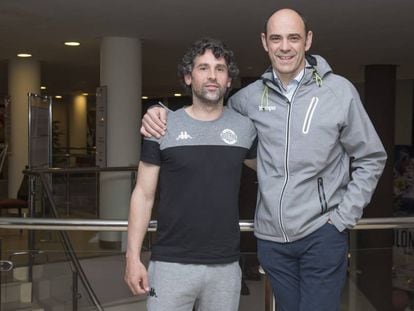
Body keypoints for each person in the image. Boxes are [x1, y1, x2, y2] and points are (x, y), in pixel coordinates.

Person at [140, 8, 387, 311]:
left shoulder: (339, 92)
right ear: (264, 42)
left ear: (307, 41)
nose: (285, 47)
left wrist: (343, 217)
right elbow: (210, 115)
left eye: (293, 38)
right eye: (276, 38)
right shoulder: (247, 100)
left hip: (322, 233)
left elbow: (371, 157)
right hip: (272, 241)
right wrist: (160, 112)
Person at [124, 37, 257, 311]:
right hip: (170, 264)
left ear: (229, 80)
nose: (212, 76)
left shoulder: (245, 129)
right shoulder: (161, 126)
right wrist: (132, 257)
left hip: (225, 266)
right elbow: (143, 194)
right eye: (203, 68)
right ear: (188, 76)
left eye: (220, 69)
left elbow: (276, 174)